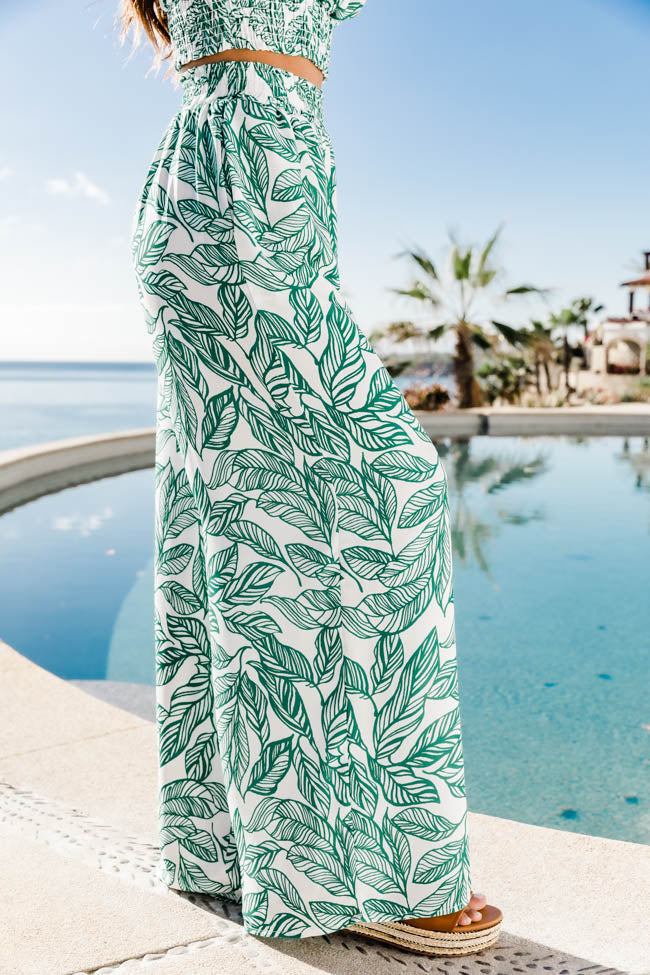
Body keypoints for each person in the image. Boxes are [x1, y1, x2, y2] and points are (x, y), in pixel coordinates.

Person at [122, 0, 502, 956]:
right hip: (242, 183)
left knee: (237, 503)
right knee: (386, 492)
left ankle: (233, 842)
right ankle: (371, 871)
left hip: (257, 182)